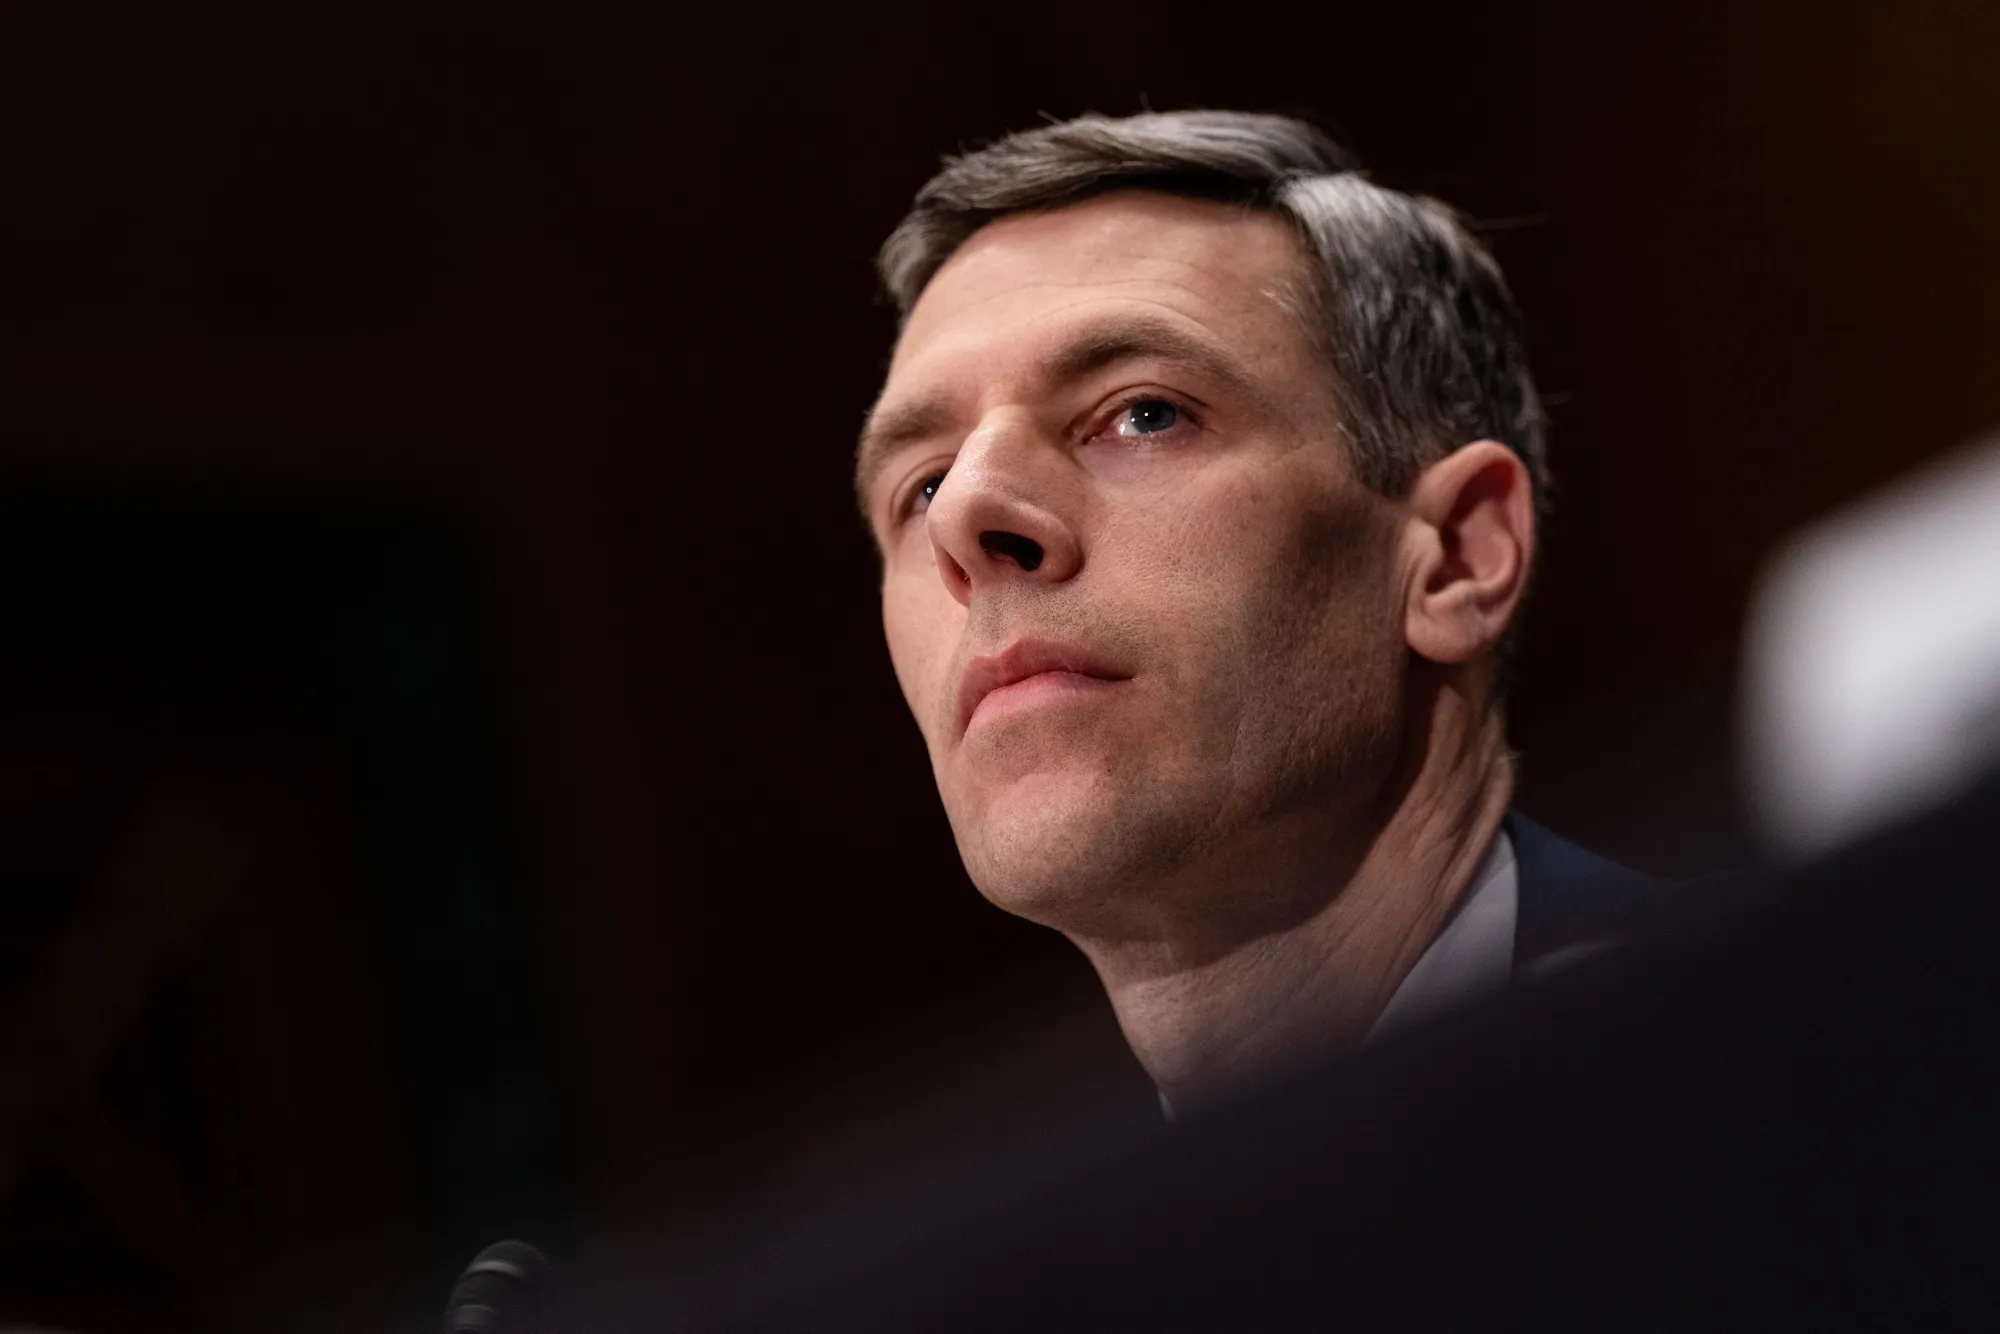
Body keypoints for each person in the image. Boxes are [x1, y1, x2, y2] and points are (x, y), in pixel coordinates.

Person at [852, 109, 1656, 1113]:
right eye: (921, 486)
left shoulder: (1794, 1070)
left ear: (1454, 557)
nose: (967, 515)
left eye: (1144, 413)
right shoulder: (1043, 1258)